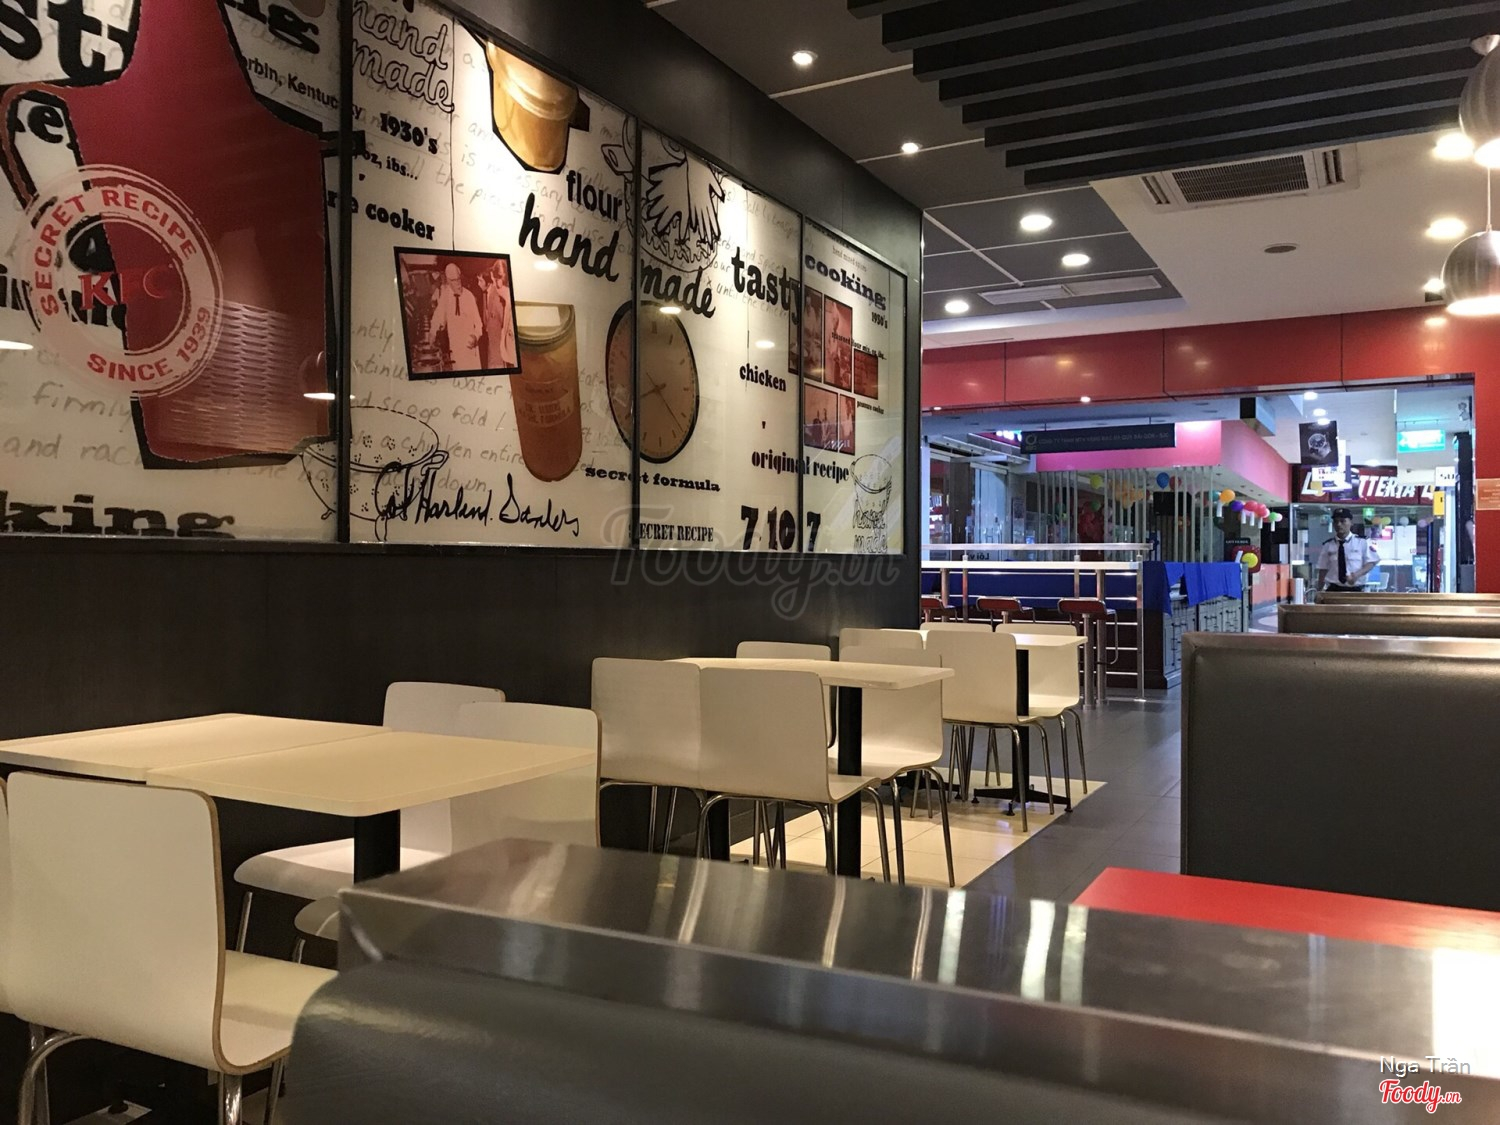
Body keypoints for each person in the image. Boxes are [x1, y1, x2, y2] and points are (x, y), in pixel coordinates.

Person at [428, 262, 483, 371]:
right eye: (454, 280)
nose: (458, 283)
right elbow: (438, 317)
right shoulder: (445, 296)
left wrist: (475, 336)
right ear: (448, 281)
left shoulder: (469, 296)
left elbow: (479, 324)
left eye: (459, 279)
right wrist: (432, 332)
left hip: (470, 351)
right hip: (455, 351)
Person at [1316, 507, 1379, 593]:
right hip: (1334, 590)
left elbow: (1371, 562)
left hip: (1356, 590)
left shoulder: (1362, 542)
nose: (1339, 524)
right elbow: (1323, 569)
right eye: (1336, 522)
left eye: (1343, 521)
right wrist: (1319, 591)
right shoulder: (1328, 545)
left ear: (1351, 523)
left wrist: (1356, 575)